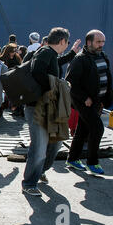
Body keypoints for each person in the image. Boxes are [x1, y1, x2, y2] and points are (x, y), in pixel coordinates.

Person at [22, 27, 72, 197]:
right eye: (67, 43)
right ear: (62, 41)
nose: (67, 45)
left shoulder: (51, 54)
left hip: (48, 106)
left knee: (56, 143)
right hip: (37, 107)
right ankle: (29, 183)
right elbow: (37, 72)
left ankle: (39, 170)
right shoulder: (45, 52)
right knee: (40, 147)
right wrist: (56, 85)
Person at [65, 30, 113, 175]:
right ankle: (92, 162)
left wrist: (105, 99)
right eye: (98, 42)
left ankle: (72, 159)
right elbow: (71, 81)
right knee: (97, 128)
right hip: (84, 102)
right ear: (89, 42)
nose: (101, 45)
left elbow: (106, 77)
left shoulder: (103, 56)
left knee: (83, 130)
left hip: (98, 101)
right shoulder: (80, 59)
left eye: (103, 42)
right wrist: (84, 97)